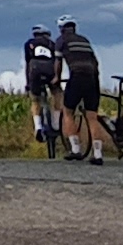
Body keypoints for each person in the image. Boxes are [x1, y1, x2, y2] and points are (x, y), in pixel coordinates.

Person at [55, 17, 109, 163]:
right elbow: (95, 62)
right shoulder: (84, 40)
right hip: (92, 78)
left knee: (68, 111)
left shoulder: (61, 40)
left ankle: (75, 149)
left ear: (61, 28)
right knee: (92, 117)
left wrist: (56, 78)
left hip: (77, 76)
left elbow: (58, 62)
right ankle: (98, 154)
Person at [21, 23, 65, 155]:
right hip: (50, 69)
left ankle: (38, 126)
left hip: (34, 69)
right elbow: (58, 61)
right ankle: (56, 123)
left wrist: (28, 83)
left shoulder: (29, 44)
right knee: (57, 93)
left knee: (35, 99)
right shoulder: (52, 44)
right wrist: (57, 79)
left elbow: (28, 64)